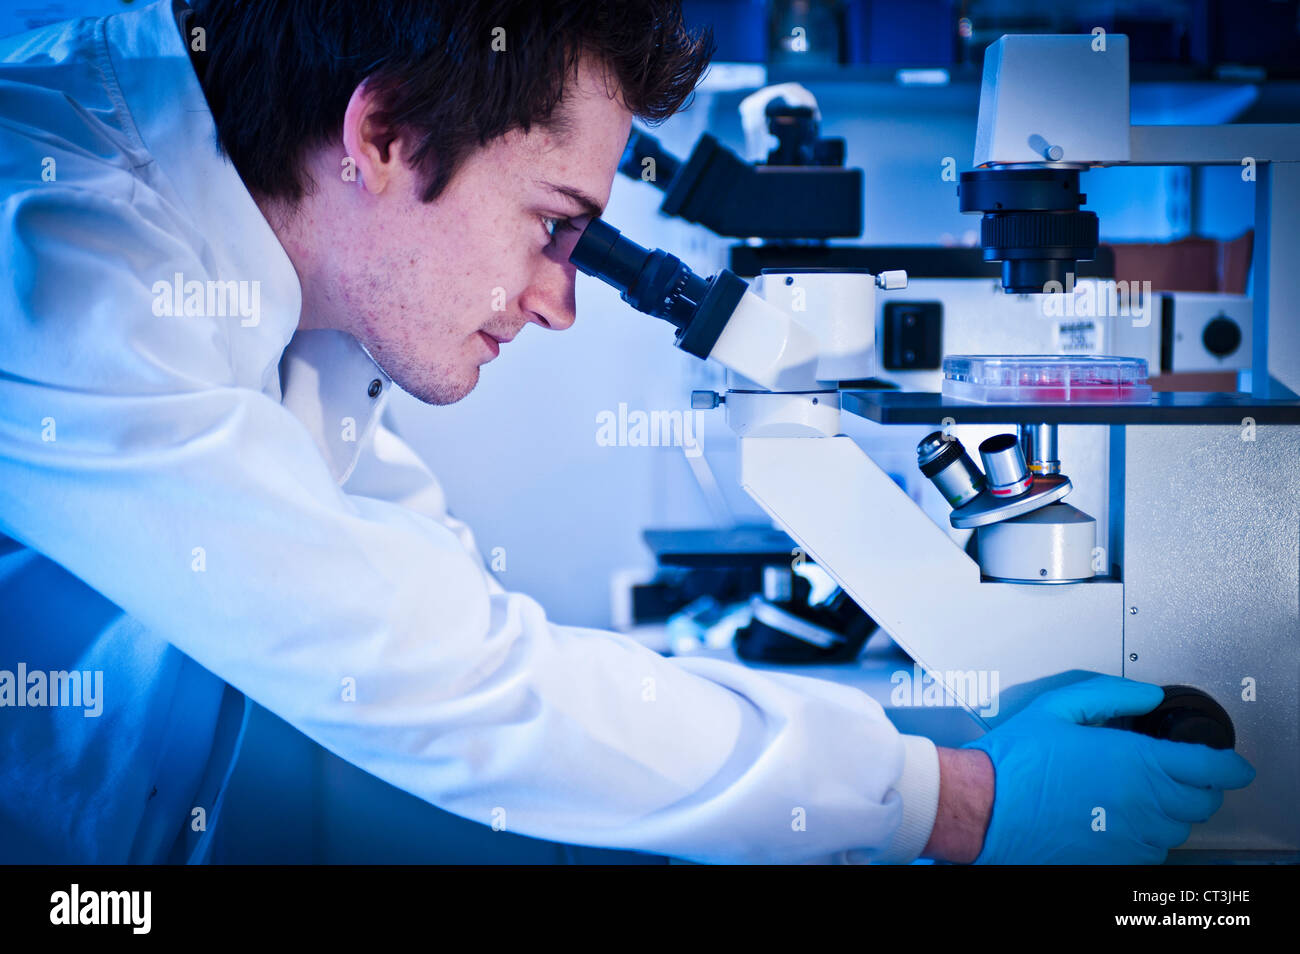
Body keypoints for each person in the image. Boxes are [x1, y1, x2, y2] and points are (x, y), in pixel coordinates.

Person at [0, 0, 1253, 865]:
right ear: (381, 135)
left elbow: (446, 616)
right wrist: (956, 800)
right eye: (553, 225)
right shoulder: (59, 255)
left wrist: (920, 767)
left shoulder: (279, 269)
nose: (556, 303)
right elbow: (455, 687)